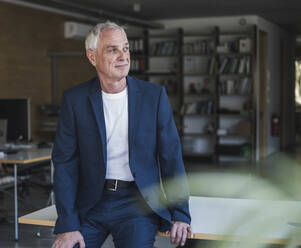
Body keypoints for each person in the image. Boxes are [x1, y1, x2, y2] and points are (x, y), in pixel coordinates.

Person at [51, 21, 192, 248]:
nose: (123, 56)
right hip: (90, 204)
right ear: (92, 57)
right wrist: (68, 224)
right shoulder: (74, 100)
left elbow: (171, 158)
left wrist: (181, 214)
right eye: (112, 49)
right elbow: (65, 162)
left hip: (137, 204)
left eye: (125, 48)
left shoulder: (153, 96)